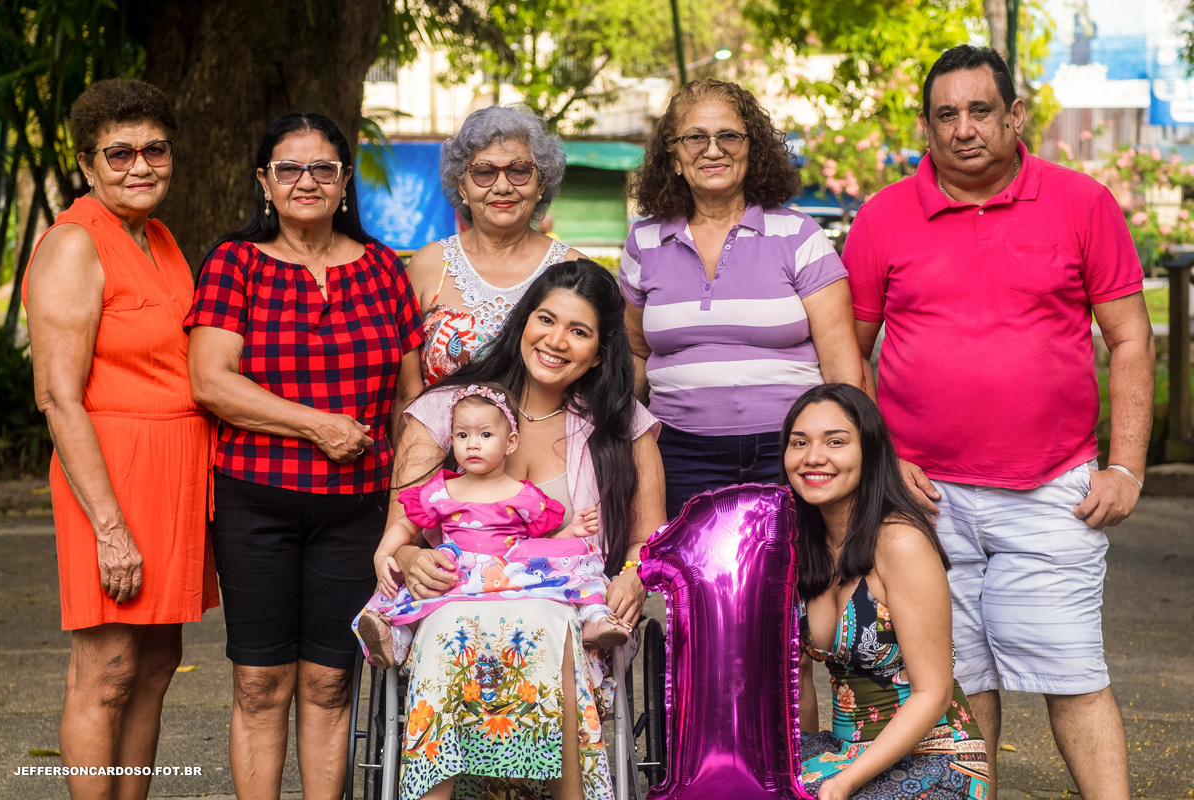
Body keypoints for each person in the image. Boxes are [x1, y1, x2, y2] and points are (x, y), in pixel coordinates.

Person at [843, 45, 1155, 800]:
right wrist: (881, 460)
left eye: (980, 110)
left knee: (1073, 672)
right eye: (946, 115)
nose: (964, 129)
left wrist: (1125, 467)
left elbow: (1131, 339)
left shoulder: (1082, 203)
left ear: (1014, 115)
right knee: (954, 682)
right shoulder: (883, 216)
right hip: (923, 497)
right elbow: (848, 354)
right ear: (925, 127)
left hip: (1052, 490)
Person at [185, 112, 423, 800]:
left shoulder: (383, 268)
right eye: (288, 168)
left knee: (329, 680)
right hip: (255, 502)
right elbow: (211, 381)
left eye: (323, 168)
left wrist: (409, 508)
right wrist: (319, 427)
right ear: (264, 182)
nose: (306, 181)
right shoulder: (235, 263)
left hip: (356, 509)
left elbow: (411, 400)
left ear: (344, 181)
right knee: (260, 683)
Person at [389, 259, 666, 800]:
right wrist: (410, 558)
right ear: (523, 321)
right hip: (456, 596)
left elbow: (650, 541)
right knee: (450, 627)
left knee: (548, 624)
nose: (556, 340)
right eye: (546, 319)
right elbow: (399, 536)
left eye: (579, 331)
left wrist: (633, 576)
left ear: (599, 352)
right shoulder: (446, 409)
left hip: (572, 611)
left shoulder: (622, 424)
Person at [23, 79, 217, 800]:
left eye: (154, 150)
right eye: (120, 153)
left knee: (156, 663)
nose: (141, 166)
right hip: (110, 475)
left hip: (175, 472)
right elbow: (57, 397)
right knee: (106, 671)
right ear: (86, 163)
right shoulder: (75, 243)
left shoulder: (158, 237)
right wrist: (110, 528)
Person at [621, 79, 864, 518]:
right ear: (674, 157)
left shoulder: (799, 235)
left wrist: (843, 451)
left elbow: (842, 368)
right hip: (677, 454)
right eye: (695, 137)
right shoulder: (644, 242)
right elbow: (637, 353)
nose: (713, 150)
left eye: (729, 136)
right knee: (687, 564)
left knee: (791, 564)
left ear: (753, 149)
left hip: (791, 454)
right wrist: (621, 438)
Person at [783, 384, 989, 800]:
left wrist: (842, 783)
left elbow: (933, 693)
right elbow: (792, 676)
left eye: (835, 442)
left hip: (933, 755)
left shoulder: (901, 543)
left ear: (871, 452)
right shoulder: (799, 543)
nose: (813, 457)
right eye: (799, 442)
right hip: (844, 751)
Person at [354, 381, 632, 670]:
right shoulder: (441, 491)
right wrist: (382, 554)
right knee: (422, 588)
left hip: (511, 569)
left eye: (485, 435)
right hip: (458, 571)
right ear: (452, 439)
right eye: (463, 435)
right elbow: (405, 525)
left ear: (510, 442)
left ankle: (594, 617)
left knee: (581, 552)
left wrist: (571, 532)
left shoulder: (524, 495)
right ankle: (395, 637)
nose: (472, 444)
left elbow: (545, 545)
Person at [410, 105, 583, 386]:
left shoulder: (574, 269)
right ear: (462, 187)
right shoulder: (429, 265)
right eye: (484, 172)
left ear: (541, 184)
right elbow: (406, 390)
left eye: (519, 171)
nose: (502, 186)